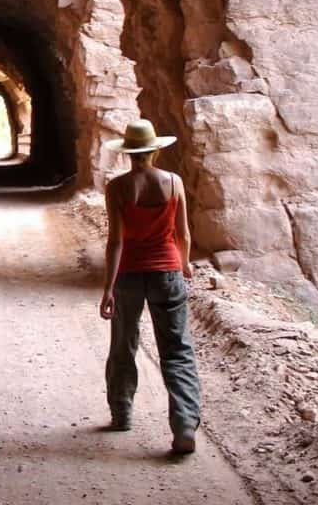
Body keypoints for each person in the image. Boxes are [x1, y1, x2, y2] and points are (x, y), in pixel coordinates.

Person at [99, 119, 201, 454]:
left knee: (123, 344)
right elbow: (182, 234)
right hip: (167, 273)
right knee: (177, 350)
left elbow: (115, 241)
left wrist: (108, 288)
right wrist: (184, 263)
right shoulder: (173, 183)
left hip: (128, 274)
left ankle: (122, 413)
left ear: (129, 154)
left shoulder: (116, 188)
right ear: (155, 151)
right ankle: (185, 424)